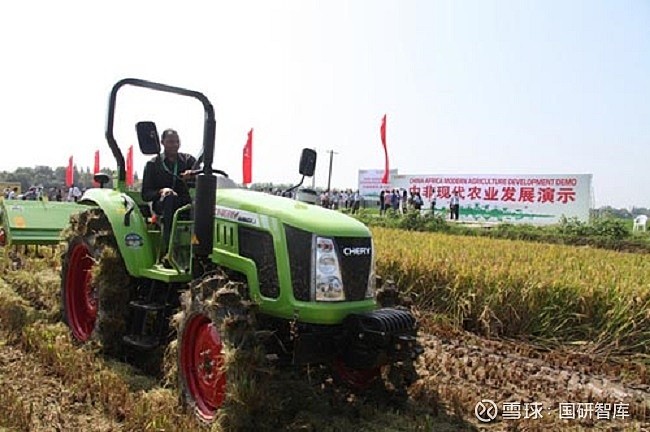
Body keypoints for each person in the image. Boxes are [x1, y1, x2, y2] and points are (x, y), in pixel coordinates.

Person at [141, 129, 197, 251]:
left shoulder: (188, 161)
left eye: (177, 142)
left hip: (185, 202)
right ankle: (169, 249)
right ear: (162, 142)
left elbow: (199, 179)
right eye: (171, 142)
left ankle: (200, 246)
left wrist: (193, 176)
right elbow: (145, 194)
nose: (175, 145)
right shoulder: (153, 164)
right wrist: (161, 191)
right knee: (169, 198)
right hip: (162, 203)